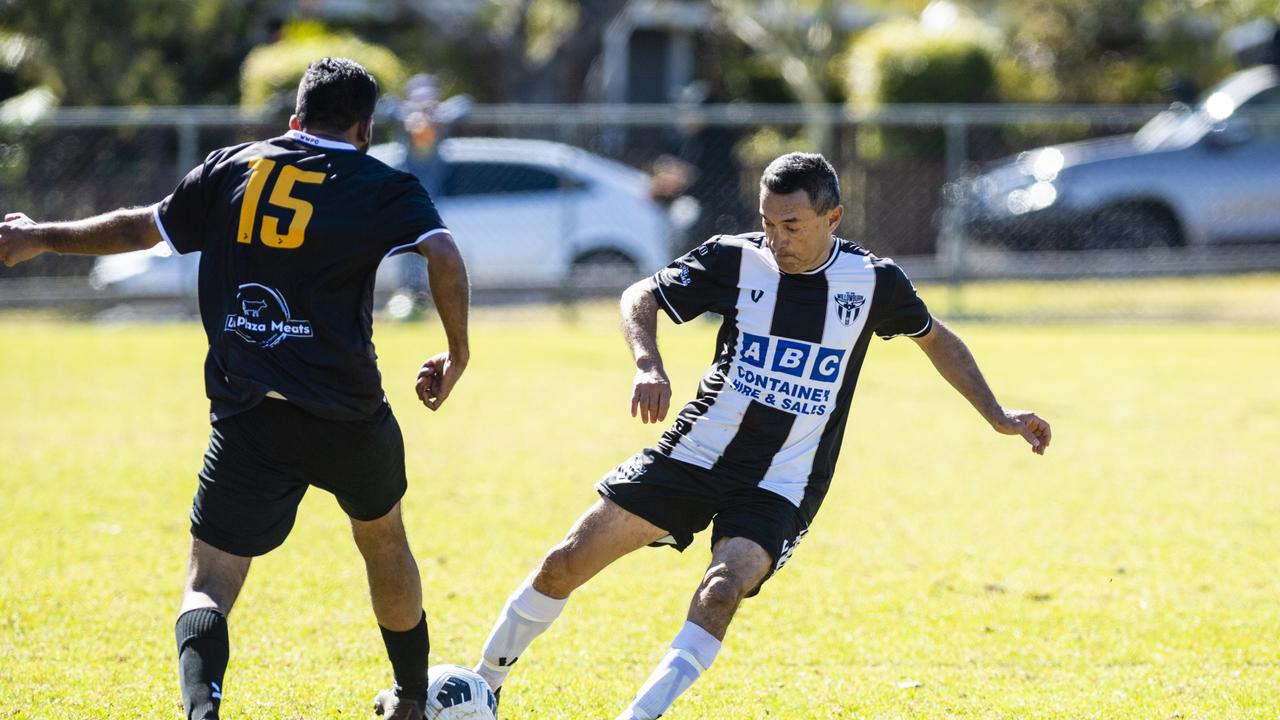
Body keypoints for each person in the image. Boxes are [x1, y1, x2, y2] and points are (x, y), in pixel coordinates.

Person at [472, 152, 1051, 719]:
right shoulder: (734, 259)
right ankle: (482, 687)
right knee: (564, 562)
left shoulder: (874, 282)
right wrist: (648, 362)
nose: (777, 239)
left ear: (833, 219)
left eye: (792, 226)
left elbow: (936, 339)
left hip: (782, 481)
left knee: (722, 588)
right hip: (693, 452)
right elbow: (640, 295)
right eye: (768, 223)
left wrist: (997, 414)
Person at [0, 58, 470, 720]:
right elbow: (444, 255)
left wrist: (38, 237)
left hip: (251, 412)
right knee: (383, 540)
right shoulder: (380, 182)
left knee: (209, 581)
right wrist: (457, 353)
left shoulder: (231, 166)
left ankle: (202, 709)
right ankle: (413, 700)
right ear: (364, 127)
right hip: (347, 412)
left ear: (294, 118)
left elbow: (141, 228)